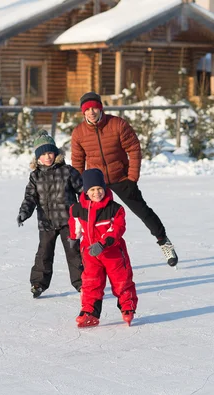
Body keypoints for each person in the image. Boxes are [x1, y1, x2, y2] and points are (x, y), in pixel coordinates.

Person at [70, 91, 178, 267]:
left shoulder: (117, 124)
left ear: (100, 108)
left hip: (121, 177)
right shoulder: (79, 133)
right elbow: (77, 162)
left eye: (94, 108)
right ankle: (92, 256)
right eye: (87, 109)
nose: (91, 112)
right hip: (97, 184)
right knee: (92, 221)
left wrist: (132, 178)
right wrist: (81, 187)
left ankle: (163, 241)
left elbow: (134, 149)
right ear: (83, 112)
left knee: (142, 211)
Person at [17, 130, 84, 298]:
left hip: (69, 221)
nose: (47, 157)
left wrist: (86, 208)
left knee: (74, 252)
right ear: (37, 158)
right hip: (46, 222)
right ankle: (38, 283)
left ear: (56, 153)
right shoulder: (35, 176)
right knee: (44, 253)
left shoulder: (68, 171)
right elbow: (30, 198)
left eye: (50, 152)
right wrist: (24, 212)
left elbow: (82, 190)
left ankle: (82, 283)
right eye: (43, 154)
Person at [69, 169, 138, 327]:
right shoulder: (77, 209)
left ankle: (127, 307)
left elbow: (118, 229)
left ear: (105, 188)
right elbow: (75, 224)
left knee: (121, 280)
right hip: (90, 253)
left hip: (113, 252)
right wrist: (73, 238)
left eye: (99, 188)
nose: (96, 192)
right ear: (86, 191)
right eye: (92, 190)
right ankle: (89, 312)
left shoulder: (115, 209)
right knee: (90, 282)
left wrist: (102, 243)